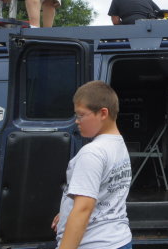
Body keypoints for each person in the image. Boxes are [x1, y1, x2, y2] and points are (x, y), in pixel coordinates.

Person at [51, 81, 132, 249]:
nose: (76, 121)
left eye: (81, 115)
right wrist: (67, 211)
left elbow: (83, 209)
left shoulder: (92, 153)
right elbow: (102, 192)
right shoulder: (118, 144)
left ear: (103, 113)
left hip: (93, 243)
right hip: (118, 239)